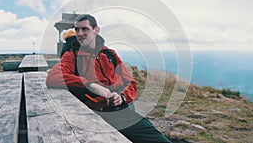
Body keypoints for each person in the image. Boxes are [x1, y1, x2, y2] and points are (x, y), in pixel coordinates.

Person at [46, 14, 171, 143]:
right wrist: (89, 84)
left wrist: (121, 97)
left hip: (120, 111)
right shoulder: (71, 55)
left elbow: (130, 83)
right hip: (94, 113)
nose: (80, 33)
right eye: (77, 29)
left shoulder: (110, 53)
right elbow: (52, 77)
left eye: (85, 29)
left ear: (96, 30)